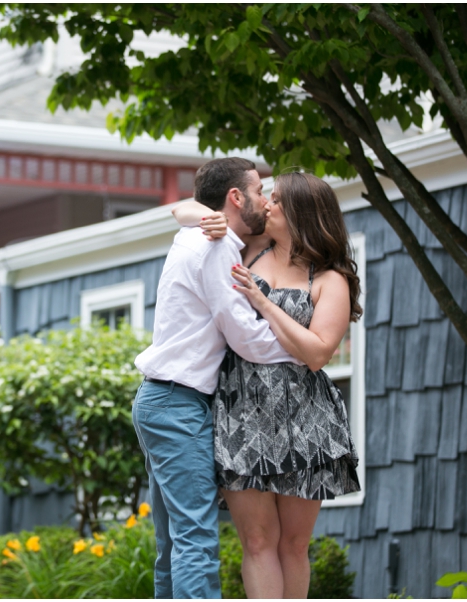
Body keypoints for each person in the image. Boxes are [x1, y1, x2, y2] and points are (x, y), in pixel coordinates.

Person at [173, 171, 362, 598]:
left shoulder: (329, 280)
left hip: (306, 419)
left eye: (277, 200)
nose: (268, 205)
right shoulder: (249, 249)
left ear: (300, 212)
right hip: (242, 412)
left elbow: (317, 353)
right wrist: (209, 219)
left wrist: (263, 303)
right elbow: (180, 210)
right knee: (256, 542)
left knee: (293, 545)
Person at [133, 157, 301, 599]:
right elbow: (245, 335)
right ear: (235, 197)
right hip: (177, 405)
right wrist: (306, 350)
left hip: (162, 401)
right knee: (195, 541)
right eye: (259, 191)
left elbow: (182, 210)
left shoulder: (200, 233)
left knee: (173, 543)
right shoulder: (216, 244)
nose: (265, 201)